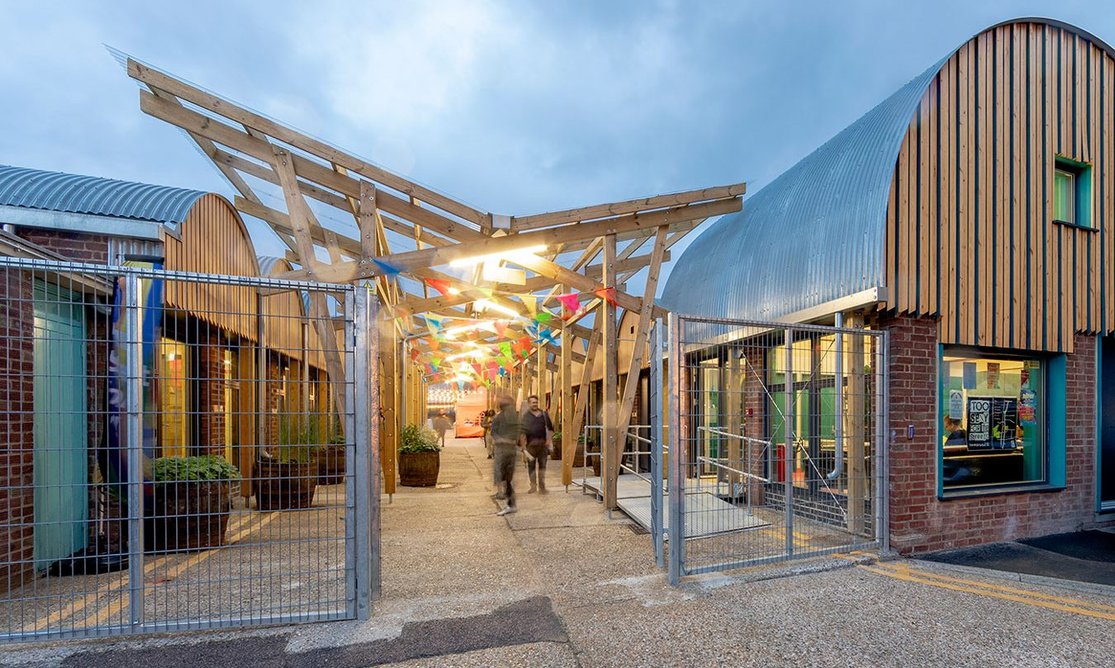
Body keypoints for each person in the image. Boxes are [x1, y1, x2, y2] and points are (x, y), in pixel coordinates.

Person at [490, 395, 524, 515]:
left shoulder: (513, 417)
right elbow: (494, 433)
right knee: (505, 478)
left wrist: (512, 441)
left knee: (507, 478)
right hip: (502, 451)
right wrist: (503, 440)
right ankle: (510, 502)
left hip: (509, 451)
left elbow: (518, 432)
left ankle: (511, 503)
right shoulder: (499, 417)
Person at [521, 394, 554, 494]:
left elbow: (551, 429)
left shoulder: (544, 415)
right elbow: (522, 432)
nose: (535, 404)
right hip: (530, 446)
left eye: (536, 402)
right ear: (529, 404)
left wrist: (548, 441)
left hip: (542, 446)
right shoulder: (525, 416)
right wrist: (523, 447)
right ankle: (533, 487)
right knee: (531, 467)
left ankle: (542, 487)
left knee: (542, 467)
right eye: (532, 403)